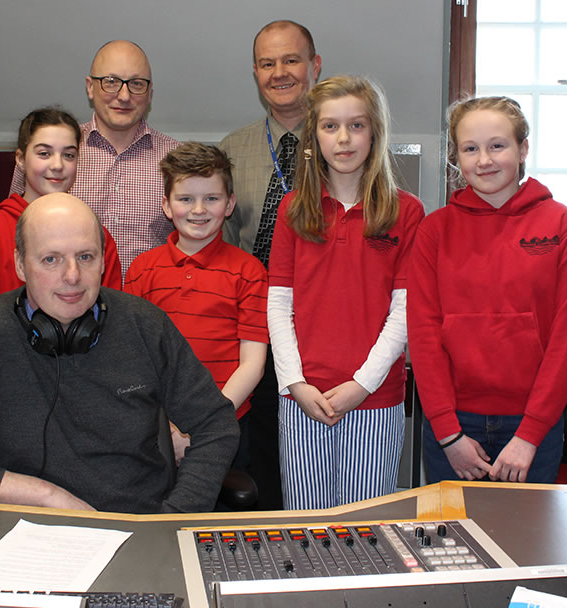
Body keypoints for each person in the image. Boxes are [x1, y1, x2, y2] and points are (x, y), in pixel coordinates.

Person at [0, 193, 239, 514]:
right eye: (51, 259)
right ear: (20, 264)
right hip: (24, 532)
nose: (73, 276)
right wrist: (46, 496)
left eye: (85, 257)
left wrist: (174, 518)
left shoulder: (145, 325)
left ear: (103, 259)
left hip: (138, 527)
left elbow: (216, 424)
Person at [407, 96, 567, 485]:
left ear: (523, 149)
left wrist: (529, 435)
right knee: (448, 542)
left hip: (532, 425)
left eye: (497, 146)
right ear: (456, 156)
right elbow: (423, 336)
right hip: (453, 428)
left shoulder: (563, 225)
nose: (484, 160)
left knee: (523, 543)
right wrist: (448, 433)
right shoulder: (434, 231)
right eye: (470, 149)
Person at [267, 75, 424, 510]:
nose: (343, 139)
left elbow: (405, 311)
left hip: (375, 399)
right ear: (313, 136)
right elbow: (279, 304)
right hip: (304, 398)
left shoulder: (406, 211)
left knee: (366, 528)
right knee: (306, 529)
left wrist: (360, 385)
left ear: (374, 133)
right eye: (330, 126)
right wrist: (294, 382)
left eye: (356, 125)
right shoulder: (293, 209)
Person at [217, 19, 321, 510]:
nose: (280, 72)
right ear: (255, 73)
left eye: (291, 59)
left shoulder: (345, 145)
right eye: (267, 63)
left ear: (315, 66)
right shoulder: (231, 151)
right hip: (252, 332)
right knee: (259, 465)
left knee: (313, 470)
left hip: (319, 332)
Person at [125, 142, 268, 466]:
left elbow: (252, 364)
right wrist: (167, 426)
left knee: (221, 512)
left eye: (211, 199)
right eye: (186, 199)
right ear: (166, 205)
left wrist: (203, 424)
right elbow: (133, 360)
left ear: (229, 204)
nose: (198, 210)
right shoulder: (141, 270)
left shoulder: (250, 272)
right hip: (155, 428)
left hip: (226, 422)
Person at [9, 40, 179, 277]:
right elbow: (14, 229)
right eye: (111, 82)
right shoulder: (53, 155)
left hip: (147, 306)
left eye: (137, 84)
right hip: (64, 302)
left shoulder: (178, 161)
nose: (124, 96)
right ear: (90, 87)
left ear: (150, 93)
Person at [0, 107, 122, 320]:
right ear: (20, 158)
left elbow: (112, 319)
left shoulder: (95, 234)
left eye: (68, 155)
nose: (57, 165)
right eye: (44, 153)